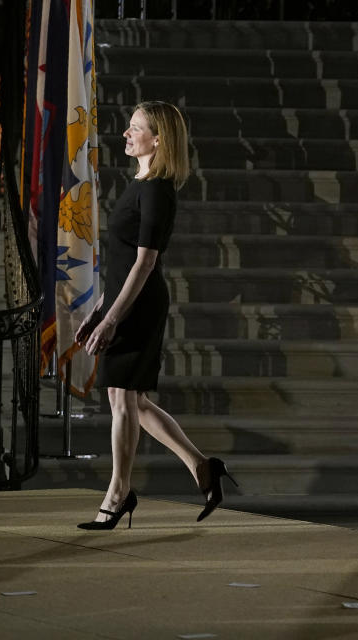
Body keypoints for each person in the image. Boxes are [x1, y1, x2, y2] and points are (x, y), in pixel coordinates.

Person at [75, 101, 236, 530]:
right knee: (130, 399)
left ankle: (119, 492)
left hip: (140, 305)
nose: (125, 134)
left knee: (124, 398)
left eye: (135, 128)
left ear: (158, 139)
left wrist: (112, 319)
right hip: (125, 301)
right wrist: (99, 309)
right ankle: (203, 468)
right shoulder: (140, 184)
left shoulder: (157, 190)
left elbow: (145, 263)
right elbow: (123, 258)